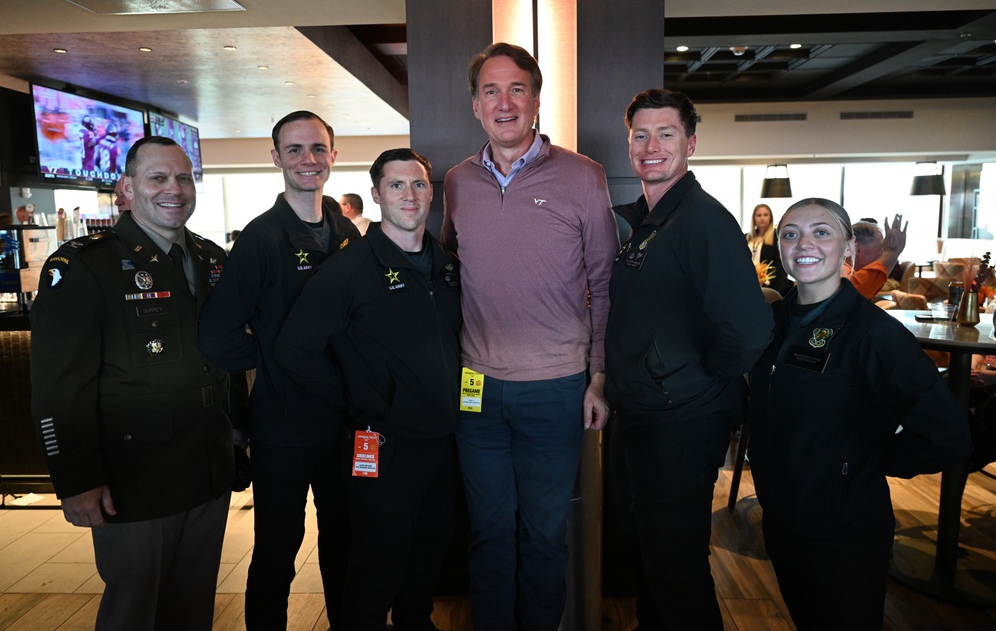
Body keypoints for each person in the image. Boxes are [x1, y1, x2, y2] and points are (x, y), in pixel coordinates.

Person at [440, 42, 619, 630]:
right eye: (491, 91)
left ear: (537, 100)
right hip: (476, 390)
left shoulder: (583, 176)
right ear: (475, 106)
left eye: (517, 89)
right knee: (488, 533)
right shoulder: (457, 182)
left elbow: (604, 283)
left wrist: (597, 376)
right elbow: (446, 274)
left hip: (556, 389)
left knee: (543, 538)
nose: (504, 102)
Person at [29, 136, 240, 630]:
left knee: (193, 605)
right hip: (133, 475)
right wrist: (75, 479)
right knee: (135, 607)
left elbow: (223, 360)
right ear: (127, 188)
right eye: (158, 178)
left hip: (207, 467)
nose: (175, 189)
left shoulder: (210, 257)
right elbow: (59, 386)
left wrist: (237, 440)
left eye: (184, 178)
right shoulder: (85, 264)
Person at [749, 197, 972, 630]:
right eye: (791, 233)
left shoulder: (876, 334)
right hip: (782, 518)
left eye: (821, 232)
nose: (803, 242)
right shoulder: (770, 321)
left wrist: (867, 462)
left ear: (848, 248)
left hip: (844, 533)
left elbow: (948, 433)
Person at [604, 87, 774, 630]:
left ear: (691, 143)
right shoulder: (650, 222)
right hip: (647, 414)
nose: (651, 145)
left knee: (676, 564)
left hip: (683, 419)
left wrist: (699, 381)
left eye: (666, 133)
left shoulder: (702, 221)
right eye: (641, 134)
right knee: (655, 555)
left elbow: (749, 329)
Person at [276, 148, 461, 631]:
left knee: (428, 557)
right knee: (376, 567)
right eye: (396, 185)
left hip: (443, 441)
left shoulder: (445, 264)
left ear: (431, 193)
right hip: (379, 444)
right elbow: (295, 349)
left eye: (418, 184)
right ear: (377, 195)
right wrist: (357, 394)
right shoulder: (348, 269)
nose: (409, 194)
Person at [198, 110, 360, 630]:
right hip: (283, 429)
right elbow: (218, 337)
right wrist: (273, 360)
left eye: (317, 148)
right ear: (276, 159)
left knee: (345, 542)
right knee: (276, 552)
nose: (307, 160)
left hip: (342, 424)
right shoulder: (260, 239)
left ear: (333, 155)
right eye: (294, 150)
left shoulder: (345, 232)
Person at [843, 215, 907, 299]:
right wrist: (891, 252)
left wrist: (893, 253)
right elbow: (851, 292)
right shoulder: (839, 268)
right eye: (880, 248)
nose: (882, 255)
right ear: (856, 248)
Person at [746, 203, 791, 294]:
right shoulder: (746, 237)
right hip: (749, 280)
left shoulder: (776, 237)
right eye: (759, 215)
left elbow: (780, 263)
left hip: (773, 283)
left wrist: (764, 278)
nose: (762, 218)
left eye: (765, 215)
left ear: (770, 217)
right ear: (754, 218)